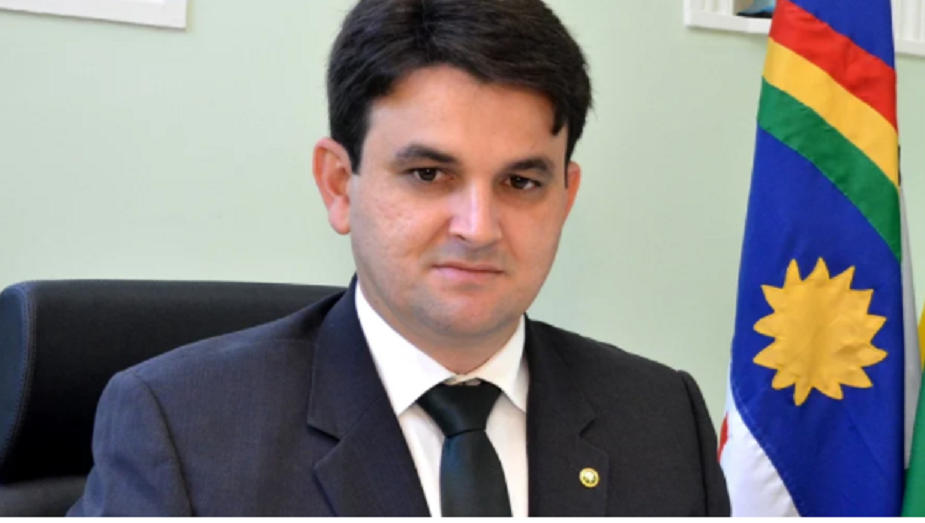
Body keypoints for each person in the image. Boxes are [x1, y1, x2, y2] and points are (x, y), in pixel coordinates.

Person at [68, 0, 730, 516]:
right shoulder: (184, 427)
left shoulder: (661, 416)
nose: (478, 228)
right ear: (339, 185)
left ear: (565, 196)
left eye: (521, 182)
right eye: (428, 174)